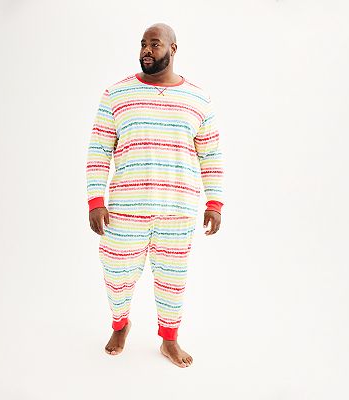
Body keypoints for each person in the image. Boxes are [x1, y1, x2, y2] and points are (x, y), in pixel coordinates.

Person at [86, 22, 224, 368]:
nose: (146, 50)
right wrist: (95, 200)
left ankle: (169, 340)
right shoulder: (116, 94)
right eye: (143, 44)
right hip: (125, 209)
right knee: (116, 273)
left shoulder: (198, 98)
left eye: (155, 44)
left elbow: (210, 154)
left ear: (173, 49)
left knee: (172, 279)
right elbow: (99, 150)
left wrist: (215, 202)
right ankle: (120, 325)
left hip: (178, 209)